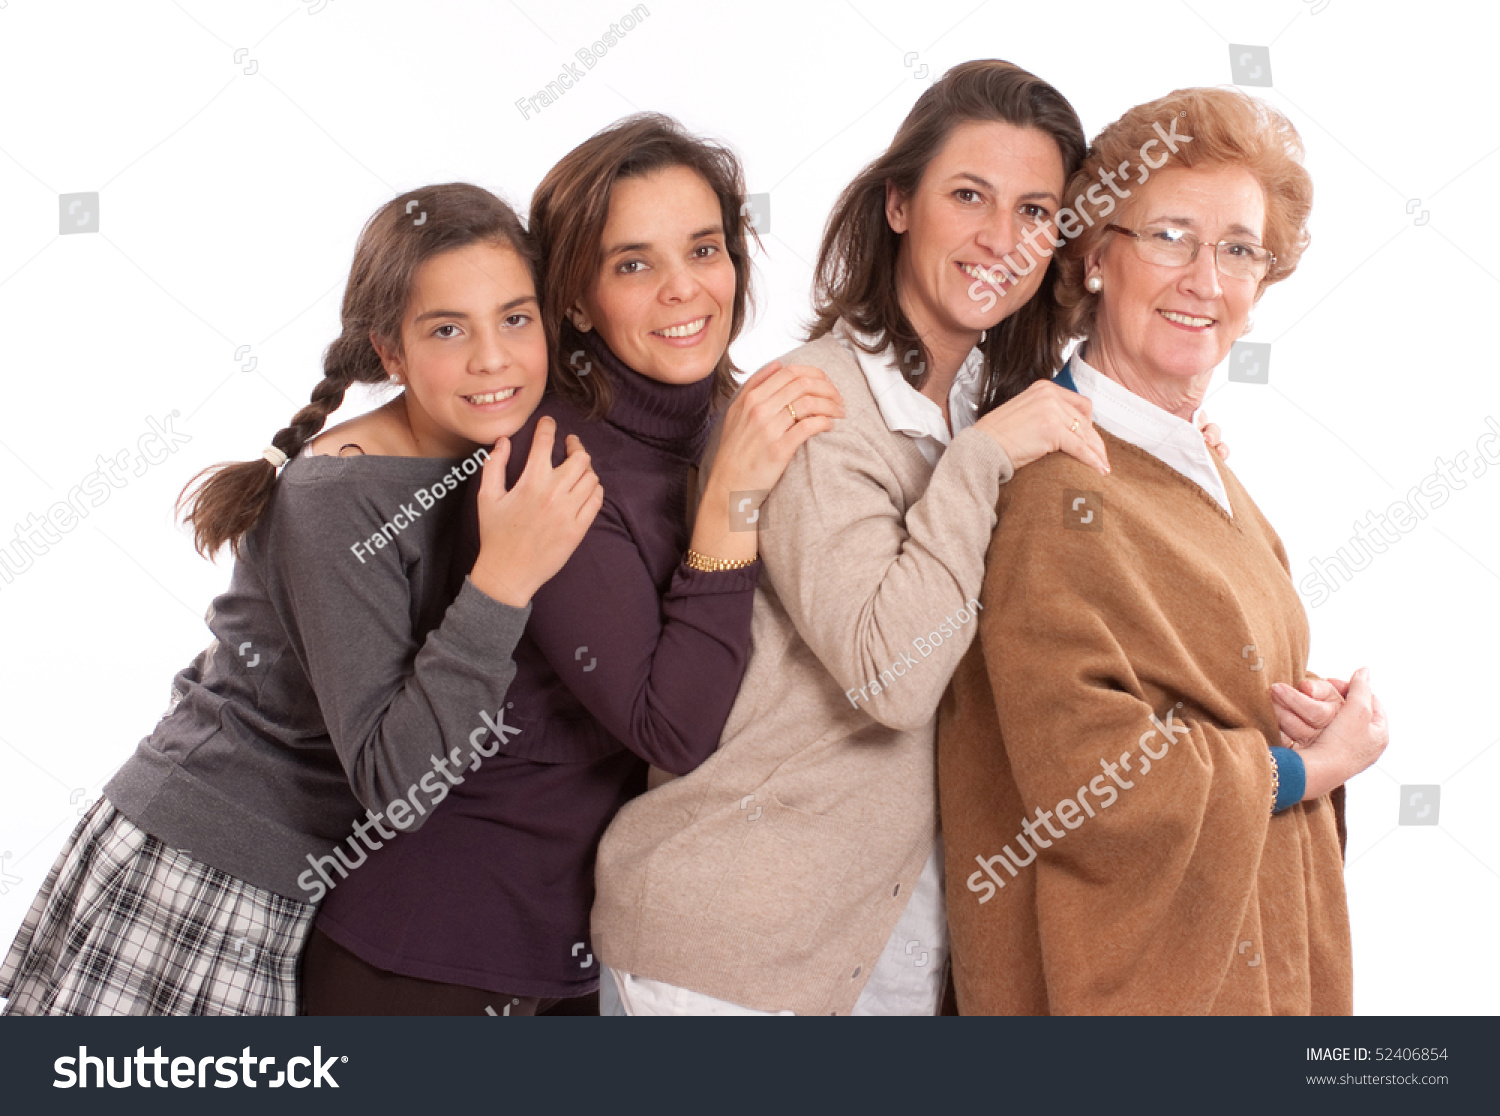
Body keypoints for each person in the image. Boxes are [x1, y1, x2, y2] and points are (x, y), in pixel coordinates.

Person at [590, 59, 1126, 1017]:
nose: (1001, 238)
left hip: (877, 954)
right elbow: (894, 678)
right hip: (728, 956)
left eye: (1036, 211)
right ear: (897, 206)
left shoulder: (979, 410)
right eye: (970, 196)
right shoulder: (816, 407)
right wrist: (979, 465)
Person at [0, 183, 600, 1015]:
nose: (492, 358)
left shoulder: (490, 454)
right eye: (447, 329)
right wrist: (504, 579)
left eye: (516, 318)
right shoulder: (338, 498)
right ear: (390, 353)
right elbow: (399, 782)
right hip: (210, 875)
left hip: (320, 888)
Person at [300, 115, 840, 1015]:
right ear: (578, 302)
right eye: (633, 264)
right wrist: (730, 505)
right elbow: (671, 729)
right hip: (433, 961)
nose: (683, 290)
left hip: (582, 954)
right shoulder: (550, 463)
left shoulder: (717, 420)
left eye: (704, 249)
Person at [939, 86, 1388, 1015]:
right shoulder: (1055, 485)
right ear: (1096, 256)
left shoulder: (1193, 466)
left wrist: (1304, 711)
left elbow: (1202, 681)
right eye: (1171, 236)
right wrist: (1315, 767)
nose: (1205, 281)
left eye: (1237, 250)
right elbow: (1090, 780)